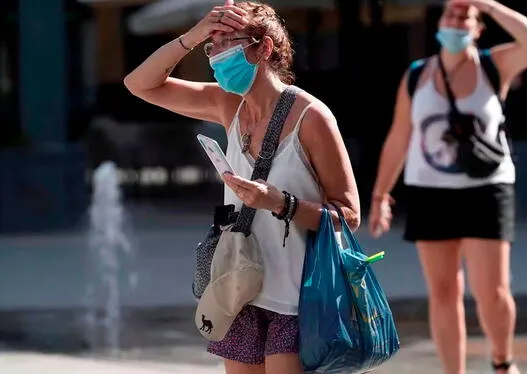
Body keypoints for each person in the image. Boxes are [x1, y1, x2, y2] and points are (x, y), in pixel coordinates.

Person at [123, 1, 360, 373]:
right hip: (238, 289)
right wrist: (193, 35)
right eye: (211, 45)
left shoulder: (312, 117)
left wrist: (281, 203)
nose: (216, 55)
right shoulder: (226, 104)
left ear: (263, 49)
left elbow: (348, 216)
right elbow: (138, 84)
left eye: (226, 43)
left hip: (298, 297)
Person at [368, 1, 527, 373]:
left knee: (491, 292)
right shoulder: (417, 75)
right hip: (430, 192)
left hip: (487, 190)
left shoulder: (493, 66)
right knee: (443, 292)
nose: (455, 20)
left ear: (478, 28)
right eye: (450, 14)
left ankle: (502, 361)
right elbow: (399, 137)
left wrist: (489, 5)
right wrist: (381, 195)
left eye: (465, 16)